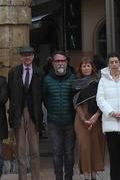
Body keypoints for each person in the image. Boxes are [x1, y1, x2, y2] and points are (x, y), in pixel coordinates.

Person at [97, 52, 120, 180]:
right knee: (114, 156)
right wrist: (111, 112)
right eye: (111, 62)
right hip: (110, 123)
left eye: (116, 62)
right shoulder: (102, 80)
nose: (114, 64)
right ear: (108, 64)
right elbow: (100, 99)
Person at [8, 45, 44, 180]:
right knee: (20, 149)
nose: (27, 57)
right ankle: (22, 177)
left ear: (33, 56)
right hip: (19, 112)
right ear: (20, 57)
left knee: (34, 149)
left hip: (34, 112)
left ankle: (35, 177)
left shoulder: (39, 72)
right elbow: (11, 93)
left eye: (29, 54)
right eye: (24, 55)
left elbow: (42, 94)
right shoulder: (13, 72)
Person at [44, 50, 77, 180]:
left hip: (70, 121)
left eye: (62, 61)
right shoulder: (47, 80)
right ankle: (58, 177)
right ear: (53, 63)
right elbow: (45, 99)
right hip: (54, 122)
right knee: (57, 153)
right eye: (57, 61)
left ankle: (69, 177)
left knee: (69, 153)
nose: (60, 63)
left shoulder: (74, 78)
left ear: (67, 62)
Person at [73, 56, 107, 180]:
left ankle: (94, 175)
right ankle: (86, 175)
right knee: (84, 147)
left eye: (88, 66)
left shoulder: (99, 82)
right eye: (84, 66)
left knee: (96, 145)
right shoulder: (76, 84)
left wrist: (96, 116)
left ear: (92, 68)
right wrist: (84, 120)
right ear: (80, 68)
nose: (86, 68)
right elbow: (76, 104)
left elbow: (103, 100)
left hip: (97, 117)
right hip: (82, 118)